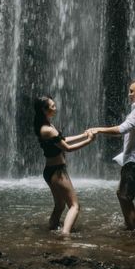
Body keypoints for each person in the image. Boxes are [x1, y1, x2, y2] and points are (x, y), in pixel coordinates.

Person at [88, 79, 135, 230]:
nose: (129, 94)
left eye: (132, 91)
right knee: (122, 194)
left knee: (125, 197)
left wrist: (98, 129)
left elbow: (122, 129)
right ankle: (130, 226)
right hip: (133, 159)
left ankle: (132, 231)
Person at [34, 95, 94, 235]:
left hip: (51, 171)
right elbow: (67, 147)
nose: (56, 108)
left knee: (60, 205)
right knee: (75, 206)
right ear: (44, 110)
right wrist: (89, 141)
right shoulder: (47, 129)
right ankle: (65, 237)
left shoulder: (48, 126)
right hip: (57, 172)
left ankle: (51, 229)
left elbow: (63, 140)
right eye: (53, 106)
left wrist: (83, 135)